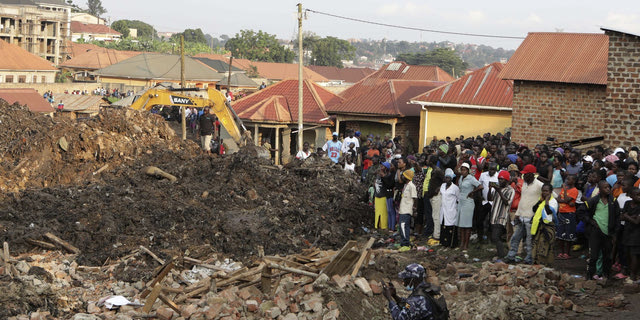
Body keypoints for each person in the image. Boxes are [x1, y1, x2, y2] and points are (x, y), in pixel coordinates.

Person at [504, 164, 544, 264]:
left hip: (531, 217)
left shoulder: (539, 185)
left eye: (526, 174)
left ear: (531, 175)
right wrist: (517, 213)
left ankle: (529, 258)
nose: (524, 176)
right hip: (521, 215)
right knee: (515, 238)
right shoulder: (524, 184)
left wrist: (540, 207)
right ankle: (511, 256)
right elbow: (522, 199)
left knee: (529, 241)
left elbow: (552, 196)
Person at [578, 180, 616, 280]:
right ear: (600, 189)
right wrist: (590, 221)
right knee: (594, 255)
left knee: (607, 256)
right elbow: (581, 210)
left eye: (609, 187)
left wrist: (614, 233)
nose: (608, 189)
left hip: (608, 232)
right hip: (596, 231)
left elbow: (617, 217)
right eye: (605, 187)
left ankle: (605, 275)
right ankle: (590, 276)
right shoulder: (594, 200)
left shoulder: (613, 201)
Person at [383, 263, 447, 320]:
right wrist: (395, 296)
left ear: (413, 279)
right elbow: (408, 306)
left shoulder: (416, 299)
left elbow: (399, 317)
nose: (404, 280)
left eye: (406, 278)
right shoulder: (425, 289)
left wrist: (389, 299)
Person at [488, 170, 515, 260]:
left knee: (495, 236)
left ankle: (501, 255)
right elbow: (490, 198)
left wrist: (499, 191)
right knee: (495, 237)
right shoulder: (497, 188)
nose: (500, 181)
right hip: (493, 216)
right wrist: (489, 189)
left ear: (507, 181)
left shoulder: (510, 190)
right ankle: (500, 253)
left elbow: (507, 202)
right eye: (499, 179)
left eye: (502, 180)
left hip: (501, 217)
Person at [457, 163, 483, 251]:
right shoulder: (461, 178)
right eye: (462, 170)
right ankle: (462, 243)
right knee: (461, 223)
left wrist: (473, 192)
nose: (463, 172)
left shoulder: (471, 178)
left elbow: (480, 186)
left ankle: (466, 245)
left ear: (468, 171)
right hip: (461, 201)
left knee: (467, 224)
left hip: (468, 202)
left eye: (464, 170)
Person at [531, 184, 558, 266]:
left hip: (548, 227)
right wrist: (541, 201)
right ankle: (536, 264)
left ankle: (545, 265)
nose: (544, 192)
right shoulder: (541, 200)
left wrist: (546, 201)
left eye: (546, 191)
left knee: (545, 246)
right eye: (543, 191)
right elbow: (534, 209)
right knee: (537, 245)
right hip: (539, 227)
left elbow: (549, 211)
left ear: (550, 192)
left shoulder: (553, 202)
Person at [556, 174, 579, 259]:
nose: (567, 180)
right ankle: (561, 252)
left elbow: (565, 199)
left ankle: (567, 253)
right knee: (560, 233)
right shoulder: (564, 188)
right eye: (567, 179)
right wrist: (565, 201)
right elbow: (558, 199)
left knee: (569, 234)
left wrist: (565, 194)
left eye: (569, 179)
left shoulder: (574, 190)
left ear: (574, 181)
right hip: (561, 213)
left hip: (569, 214)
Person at [620, 188, 640, 283]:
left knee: (634, 254)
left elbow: (636, 222)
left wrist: (627, 216)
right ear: (631, 195)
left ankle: (633, 275)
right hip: (627, 231)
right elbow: (621, 217)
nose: (639, 197)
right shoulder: (627, 203)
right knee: (627, 252)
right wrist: (631, 217)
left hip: (636, 234)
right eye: (637, 195)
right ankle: (628, 271)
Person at [478, 163, 499, 242]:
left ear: (496, 170)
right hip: (484, 201)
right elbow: (479, 186)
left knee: (492, 221)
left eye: (493, 170)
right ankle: (480, 237)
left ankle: (491, 238)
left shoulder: (498, 176)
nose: (491, 171)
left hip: (493, 202)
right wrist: (480, 197)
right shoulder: (483, 175)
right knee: (480, 220)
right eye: (490, 169)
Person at [398, 170, 417, 251]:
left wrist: (414, 209)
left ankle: (405, 244)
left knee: (403, 226)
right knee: (402, 227)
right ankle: (403, 243)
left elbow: (415, 198)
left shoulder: (411, 186)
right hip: (403, 209)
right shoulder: (406, 185)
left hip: (407, 210)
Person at [440, 168, 460, 248]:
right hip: (443, 210)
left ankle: (452, 245)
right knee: (444, 227)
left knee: (451, 227)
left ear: (451, 179)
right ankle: (444, 244)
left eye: (448, 178)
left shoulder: (455, 188)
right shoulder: (442, 186)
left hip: (451, 210)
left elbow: (458, 199)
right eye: (446, 177)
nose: (446, 179)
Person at [374, 162, 392, 230]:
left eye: (383, 166)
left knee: (383, 212)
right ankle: (377, 226)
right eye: (381, 166)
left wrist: (383, 176)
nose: (381, 167)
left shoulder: (388, 175)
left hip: (383, 196)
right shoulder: (378, 175)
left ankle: (383, 226)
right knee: (377, 212)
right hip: (377, 196)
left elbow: (388, 184)